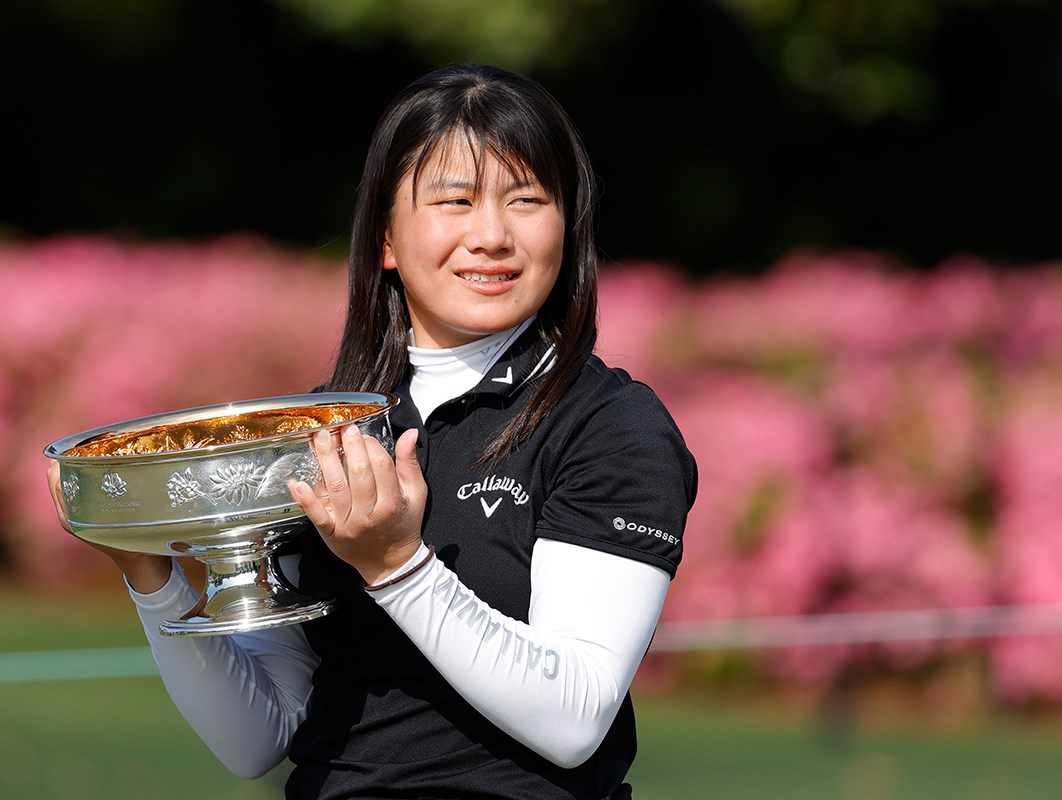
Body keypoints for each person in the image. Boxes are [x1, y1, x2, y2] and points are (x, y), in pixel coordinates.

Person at [47, 63, 696, 799]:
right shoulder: (321, 430)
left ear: (567, 226)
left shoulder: (609, 425)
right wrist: (148, 571)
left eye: (526, 200)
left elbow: (575, 719)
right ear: (386, 238)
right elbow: (259, 738)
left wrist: (395, 565)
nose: (491, 235)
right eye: (455, 201)